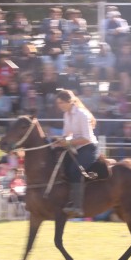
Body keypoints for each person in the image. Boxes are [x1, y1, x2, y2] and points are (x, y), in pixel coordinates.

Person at [52, 89, 98, 217]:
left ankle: (78, 206)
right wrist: (58, 141)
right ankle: (68, 200)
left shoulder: (82, 114)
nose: (59, 105)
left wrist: (68, 143)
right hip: (75, 147)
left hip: (88, 148)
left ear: (69, 102)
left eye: (61, 103)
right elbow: (67, 134)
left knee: (75, 170)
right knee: (60, 167)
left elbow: (86, 138)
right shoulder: (66, 114)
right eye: (58, 103)